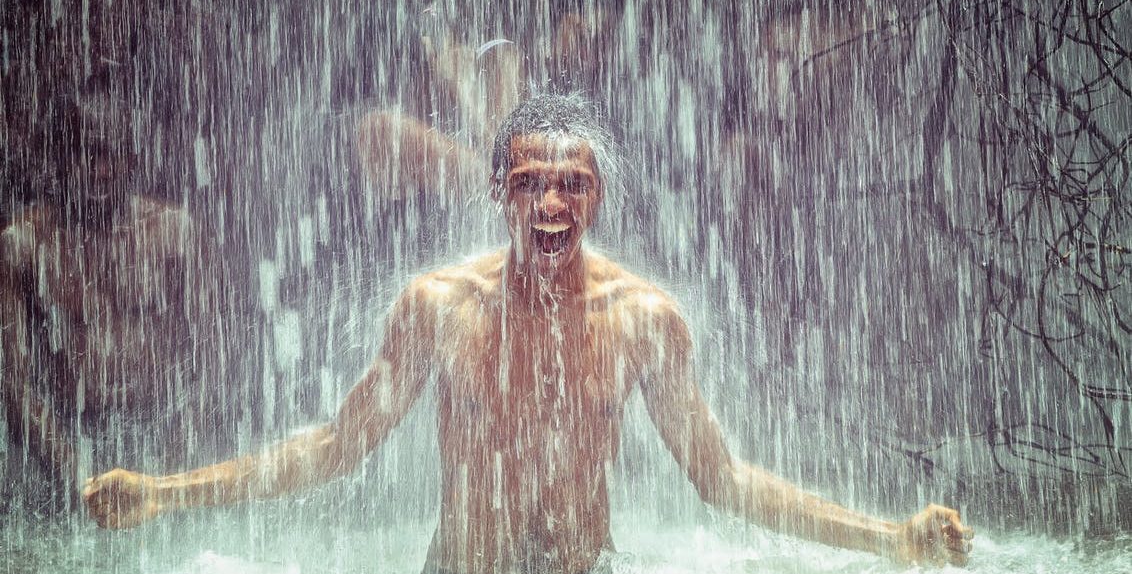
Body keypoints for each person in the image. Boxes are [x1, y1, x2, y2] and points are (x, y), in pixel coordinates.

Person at [83, 94, 973, 571]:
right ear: (500, 193)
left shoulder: (644, 322)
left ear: (597, 197)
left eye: (572, 184)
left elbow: (725, 480)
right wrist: (165, 493)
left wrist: (892, 539)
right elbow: (332, 447)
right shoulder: (438, 306)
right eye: (530, 182)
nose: (551, 203)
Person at [0, 90, 237, 512]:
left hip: (162, 430)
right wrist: (80, 481)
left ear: (132, 158)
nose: (103, 170)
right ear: (59, 159)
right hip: (66, 441)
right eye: (88, 154)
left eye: (115, 154)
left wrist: (161, 482)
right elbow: (14, 385)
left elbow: (215, 364)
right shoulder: (24, 246)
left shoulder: (176, 234)